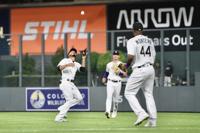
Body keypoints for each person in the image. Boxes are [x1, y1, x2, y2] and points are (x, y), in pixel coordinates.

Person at [124, 22, 157, 127]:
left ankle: (141, 113)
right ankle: (153, 121)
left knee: (129, 93)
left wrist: (126, 66)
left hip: (140, 69)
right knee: (149, 94)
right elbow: (154, 55)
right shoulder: (150, 40)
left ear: (133, 31)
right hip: (150, 68)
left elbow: (130, 56)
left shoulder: (132, 40)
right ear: (142, 30)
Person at [54, 48, 86, 122]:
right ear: (69, 54)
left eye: (75, 53)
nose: (73, 53)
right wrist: (68, 64)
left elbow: (83, 69)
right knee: (69, 100)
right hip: (65, 82)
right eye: (72, 52)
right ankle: (59, 118)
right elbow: (59, 68)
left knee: (79, 98)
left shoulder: (76, 64)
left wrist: (84, 57)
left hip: (71, 83)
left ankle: (62, 108)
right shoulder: (65, 60)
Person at [102, 50, 127, 119]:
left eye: (117, 55)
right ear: (112, 56)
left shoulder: (121, 64)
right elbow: (106, 73)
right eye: (114, 55)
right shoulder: (109, 64)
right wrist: (104, 77)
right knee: (109, 97)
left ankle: (115, 111)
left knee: (116, 99)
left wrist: (119, 72)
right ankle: (107, 111)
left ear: (119, 56)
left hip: (118, 82)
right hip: (110, 82)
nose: (115, 56)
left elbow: (125, 75)